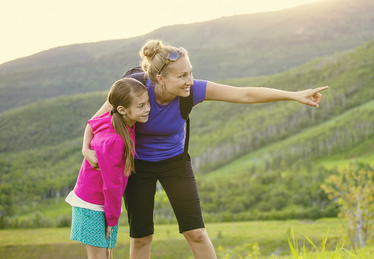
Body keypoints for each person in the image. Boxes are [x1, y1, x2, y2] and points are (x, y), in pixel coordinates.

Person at [82, 39, 328, 259]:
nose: (189, 81)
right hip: (137, 165)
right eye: (182, 76)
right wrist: (86, 150)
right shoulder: (134, 88)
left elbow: (245, 94)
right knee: (141, 236)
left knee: (196, 232)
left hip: (175, 162)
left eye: (190, 73)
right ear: (160, 79)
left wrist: (295, 95)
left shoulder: (193, 91)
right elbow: (96, 122)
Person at [66, 78, 150, 259]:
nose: (148, 109)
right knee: (98, 256)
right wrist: (112, 218)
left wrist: (85, 149)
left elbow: (91, 122)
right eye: (141, 106)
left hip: (101, 203)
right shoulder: (114, 141)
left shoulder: (118, 121)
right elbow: (112, 184)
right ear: (122, 110)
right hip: (93, 204)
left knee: (106, 255)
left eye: (147, 103)